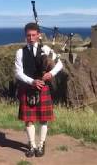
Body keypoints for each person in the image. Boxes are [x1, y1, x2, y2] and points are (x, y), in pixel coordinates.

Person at [14, 22, 63, 157]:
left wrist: (51, 74)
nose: (31, 38)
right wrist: (32, 81)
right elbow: (18, 73)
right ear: (25, 36)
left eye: (33, 35)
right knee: (28, 120)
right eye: (28, 35)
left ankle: (41, 145)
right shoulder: (20, 52)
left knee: (43, 119)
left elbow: (60, 64)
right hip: (28, 87)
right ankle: (32, 145)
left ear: (38, 35)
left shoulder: (46, 49)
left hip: (43, 88)